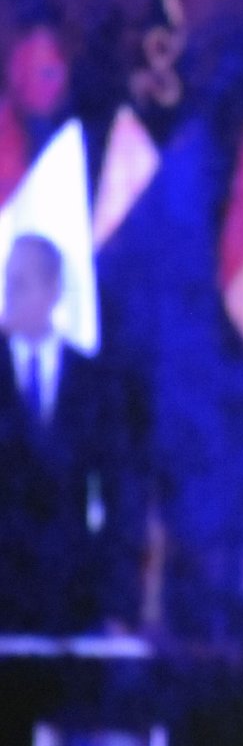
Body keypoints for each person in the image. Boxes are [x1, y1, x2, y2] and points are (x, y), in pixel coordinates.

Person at [0, 233, 137, 633]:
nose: (8, 295)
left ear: (53, 291)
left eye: (21, 283)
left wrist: (116, 602)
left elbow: (118, 495)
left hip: (72, 599)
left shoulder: (95, 381)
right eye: (7, 282)